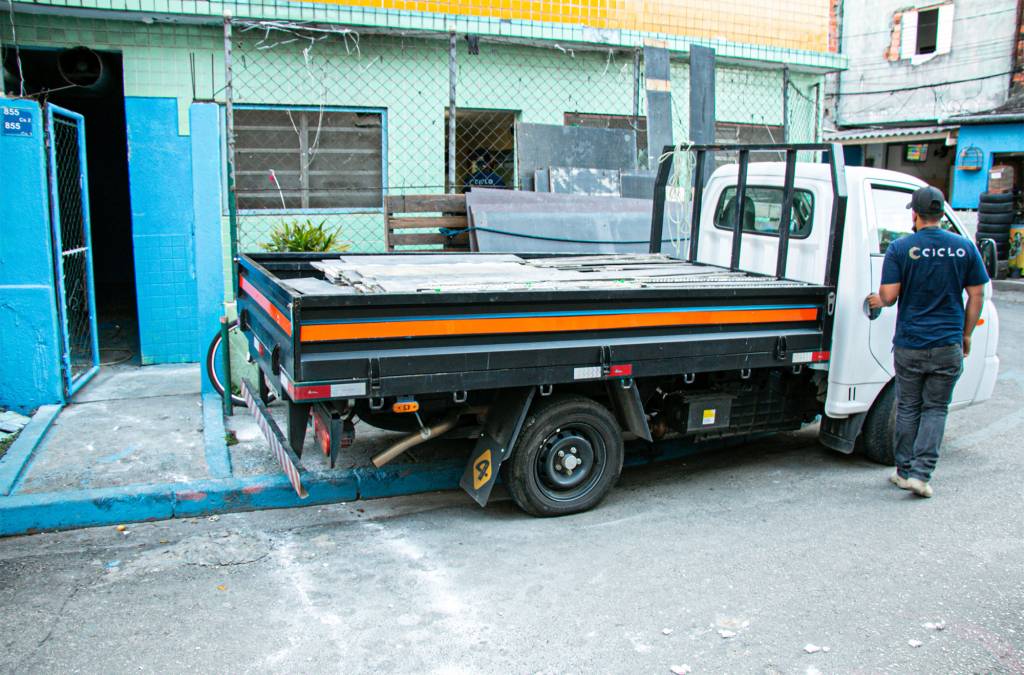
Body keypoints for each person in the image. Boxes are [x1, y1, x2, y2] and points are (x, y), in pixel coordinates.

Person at [867, 185, 989, 498]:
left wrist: (878, 299)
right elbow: (978, 294)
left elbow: (889, 296)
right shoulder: (965, 248)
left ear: (915, 214)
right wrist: (966, 334)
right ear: (941, 214)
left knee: (908, 407)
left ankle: (904, 471)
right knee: (935, 409)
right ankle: (921, 475)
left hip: (911, 344)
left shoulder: (900, 247)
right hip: (947, 343)